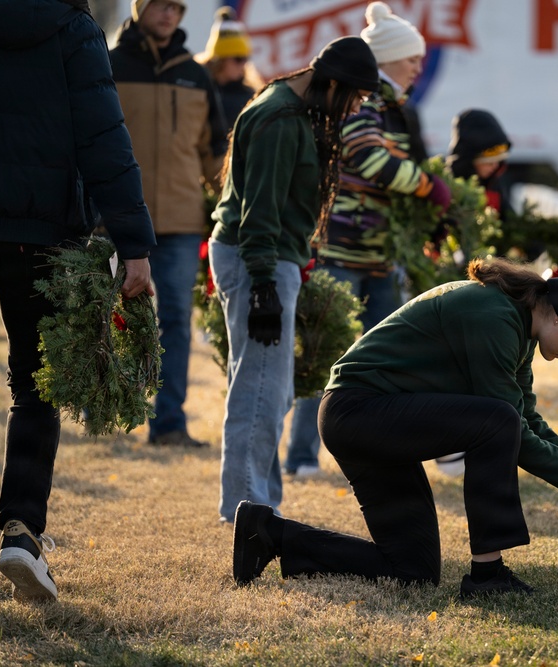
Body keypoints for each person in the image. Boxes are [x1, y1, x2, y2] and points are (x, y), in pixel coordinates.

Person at [232, 258, 558, 596]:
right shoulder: (495, 317)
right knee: (497, 421)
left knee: (413, 570)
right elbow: (511, 430)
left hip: (374, 419)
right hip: (357, 413)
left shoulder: (518, 326)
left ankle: (269, 532)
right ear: (556, 315)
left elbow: (528, 420)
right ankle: (487, 574)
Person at [0, 0, 156, 616]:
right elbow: (103, 136)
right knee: (37, 387)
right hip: (41, 234)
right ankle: (21, 530)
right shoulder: (71, 23)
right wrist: (134, 245)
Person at [209, 37, 380, 524]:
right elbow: (259, 208)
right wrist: (263, 283)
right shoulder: (280, 120)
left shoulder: (294, 106)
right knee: (259, 388)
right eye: (353, 98)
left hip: (268, 256)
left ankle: (261, 501)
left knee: (273, 388)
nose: (353, 109)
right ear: (330, 83)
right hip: (256, 259)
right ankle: (246, 507)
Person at [285, 1, 450, 477]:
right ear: (388, 59)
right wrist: (425, 185)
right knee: (325, 356)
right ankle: (300, 457)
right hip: (340, 252)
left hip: (382, 256)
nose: (421, 66)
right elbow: (369, 161)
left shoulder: (395, 106)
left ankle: (389, 454)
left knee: (395, 361)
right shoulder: (367, 100)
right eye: (413, 58)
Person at [110, 0, 229, 448]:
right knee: (109, 318)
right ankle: (101, 415)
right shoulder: (108, 64)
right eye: (159, 6)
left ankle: (169, 424)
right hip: (116, 221)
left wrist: (232, 203)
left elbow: (216, 149)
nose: (168, 15)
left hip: (180, 222)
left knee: (176, 319)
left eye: (176, 8)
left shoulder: (196, 74)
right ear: (141, 8)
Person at [195, 6, 264, 136]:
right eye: (238, 58)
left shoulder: (251, 96)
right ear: (220, 60)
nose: (244, 64)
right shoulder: (198, 90)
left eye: (246, 58)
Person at [446, 108, 517, 223]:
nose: (495, 166)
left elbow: (509, 219)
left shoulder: (493, 183)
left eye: (498, 161)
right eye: (488, 162)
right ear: (470, 160)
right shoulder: (449, 186)